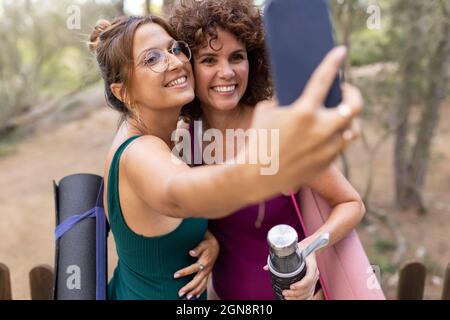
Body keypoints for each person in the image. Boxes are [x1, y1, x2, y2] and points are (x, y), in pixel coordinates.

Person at [88, 12, 361, 299]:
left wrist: (206, 238)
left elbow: (159, 223)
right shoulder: (144, 150)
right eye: (151, 59)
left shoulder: (173, 140)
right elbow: (179, 194)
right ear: (123, 93)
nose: (175, 61)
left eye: (174, 49)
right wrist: (261, 165)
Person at [169, 0, 365, 300]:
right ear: (189, 68)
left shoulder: (278, 128)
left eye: (237, 57)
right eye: (209, 60)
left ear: (254, 60)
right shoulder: (184, 142)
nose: (227, 73)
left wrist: (309, 250)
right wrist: (207, 237)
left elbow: (351, 204)